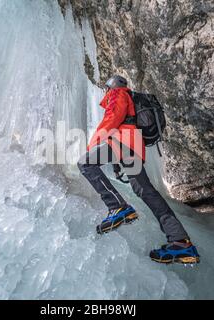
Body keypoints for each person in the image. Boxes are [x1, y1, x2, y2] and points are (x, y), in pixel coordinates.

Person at [77, 75, 200, 264]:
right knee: (145, 190)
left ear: (111, 87)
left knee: (85, 163)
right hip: (133, 146)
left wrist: (93, 145)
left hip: (123, 143)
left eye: (107, 88)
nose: (106, 92)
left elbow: (113, 118)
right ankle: (180, 242)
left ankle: (117, 207)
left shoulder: (119, 94)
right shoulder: (131, 98)